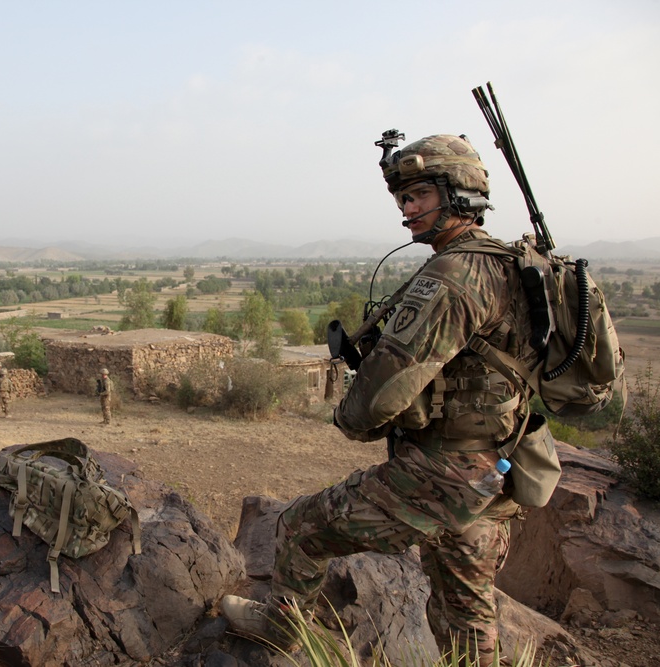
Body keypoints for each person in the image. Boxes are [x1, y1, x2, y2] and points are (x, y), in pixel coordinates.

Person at [221, 133, 543, 665]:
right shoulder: (514, 264)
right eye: (401, 199)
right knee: (465, 615)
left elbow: (376, 398)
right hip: (501, 467)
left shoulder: (452, 276)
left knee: (300, 526)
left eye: (418, 195)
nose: (407, 210)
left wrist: (351, 415)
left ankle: (281, 627)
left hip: (442, 472)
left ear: (458, 193)